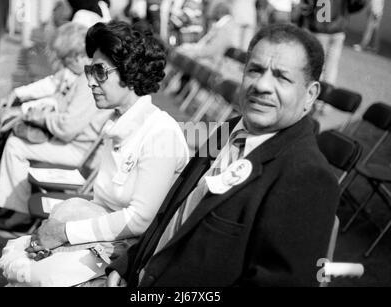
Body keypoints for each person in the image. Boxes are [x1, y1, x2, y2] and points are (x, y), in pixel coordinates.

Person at [105, 23, 340, 287]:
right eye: (255, 70)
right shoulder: (229, 128)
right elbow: (175, 207)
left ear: (310, 95)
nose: (262, 85)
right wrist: (129, 264)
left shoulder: (307, 177)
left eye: (281, 77)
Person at [0, 21, 189, 287]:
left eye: (99, 71)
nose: (89, 80)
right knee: (19, 261)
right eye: (89, 70)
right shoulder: (118, 123)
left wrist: (64, 233)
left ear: (130, 72)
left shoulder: (160, 132)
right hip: (106, 237)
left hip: (132, 254)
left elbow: (138, 221)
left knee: (29, 274)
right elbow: (105, 203)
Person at [0, 22, 108, 231]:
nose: (62, 64)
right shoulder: (84, 76)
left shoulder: (87, 81)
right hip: (77, 144)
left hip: (79, 150)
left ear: (77, 55)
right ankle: (14, 206)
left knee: (16, 146)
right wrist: (34, 113)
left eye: (65, 59)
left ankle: (20, 212)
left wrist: (40, 118)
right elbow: (61, 106)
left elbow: (66, 128)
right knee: (15, 142)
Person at [301, 0, 367, 85]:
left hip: (319, 28)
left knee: (317, 65)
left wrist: (304, 20)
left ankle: (316, 91)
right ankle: (326, 93)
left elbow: (307, 5)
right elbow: (359, 3)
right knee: (331, 66)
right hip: (337, 29)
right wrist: (345, 11)